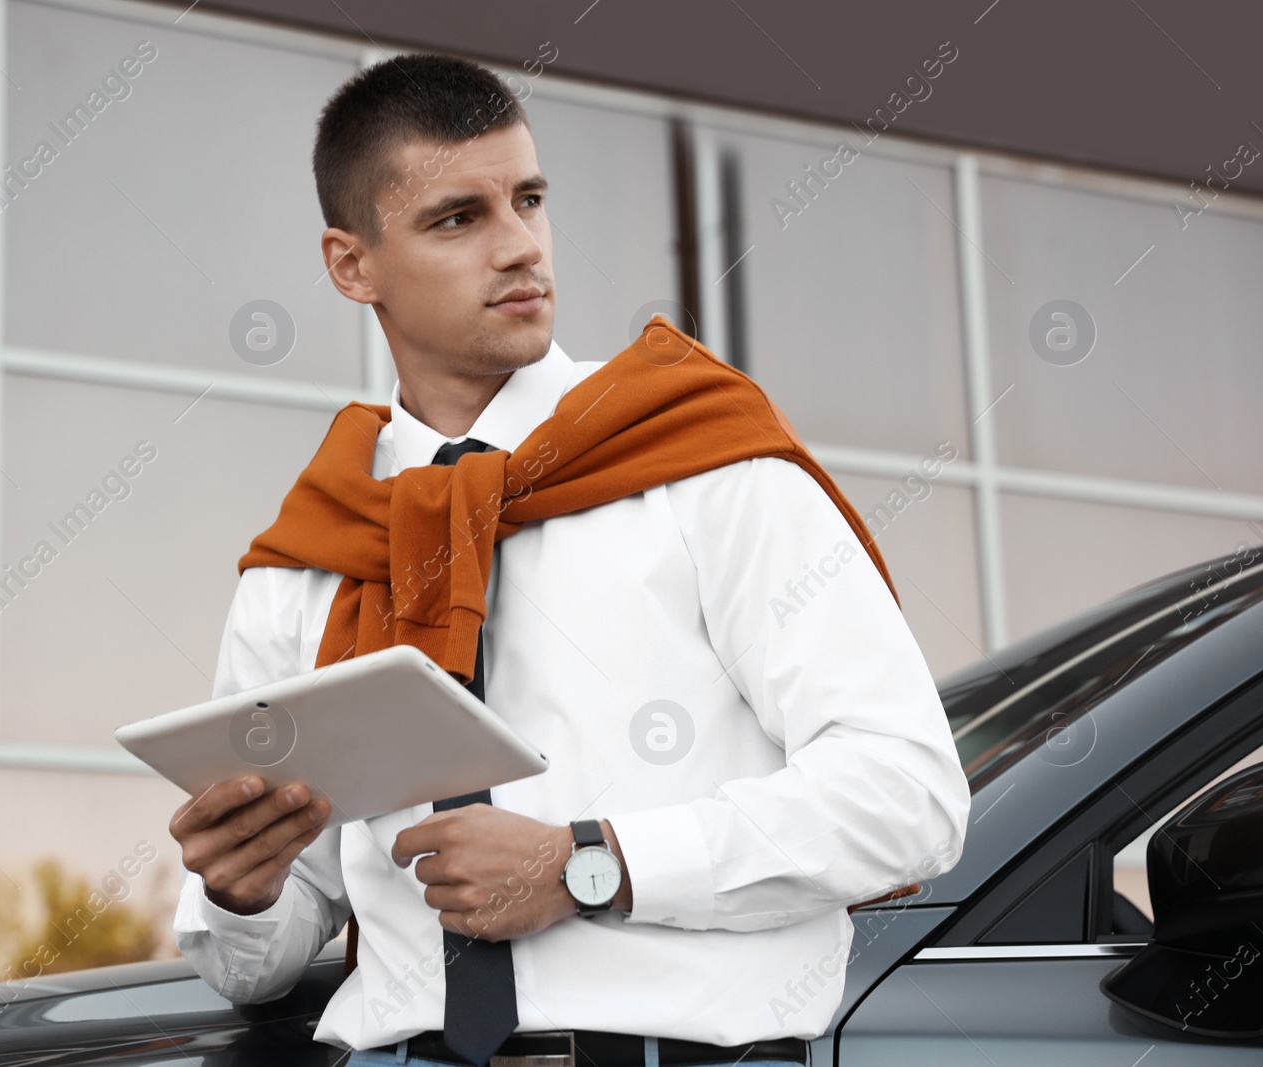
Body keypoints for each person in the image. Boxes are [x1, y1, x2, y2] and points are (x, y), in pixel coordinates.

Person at [170, 52, 970, 1067]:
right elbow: (258, 964)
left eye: (529, 201)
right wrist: (243, 887)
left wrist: (592, 861)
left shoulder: (704, 458)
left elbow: (909, 795)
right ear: (351, 264)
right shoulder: (312, 552)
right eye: (457, 218)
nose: (519, 249)